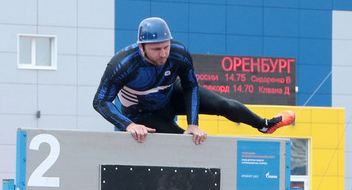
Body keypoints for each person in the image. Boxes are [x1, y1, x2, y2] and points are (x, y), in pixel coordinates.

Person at [92, 17, 295, 145]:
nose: (163, 54)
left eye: (166, 47)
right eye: (156, 49)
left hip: (170, 95)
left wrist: (193, 123)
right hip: (143, 113)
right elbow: (100, 101)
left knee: (223, 105)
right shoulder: (122, 64)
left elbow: (191, 85)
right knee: (187, 143)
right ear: (142, 46)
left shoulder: (179, 52)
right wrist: (127, 125)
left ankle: (264, 125)